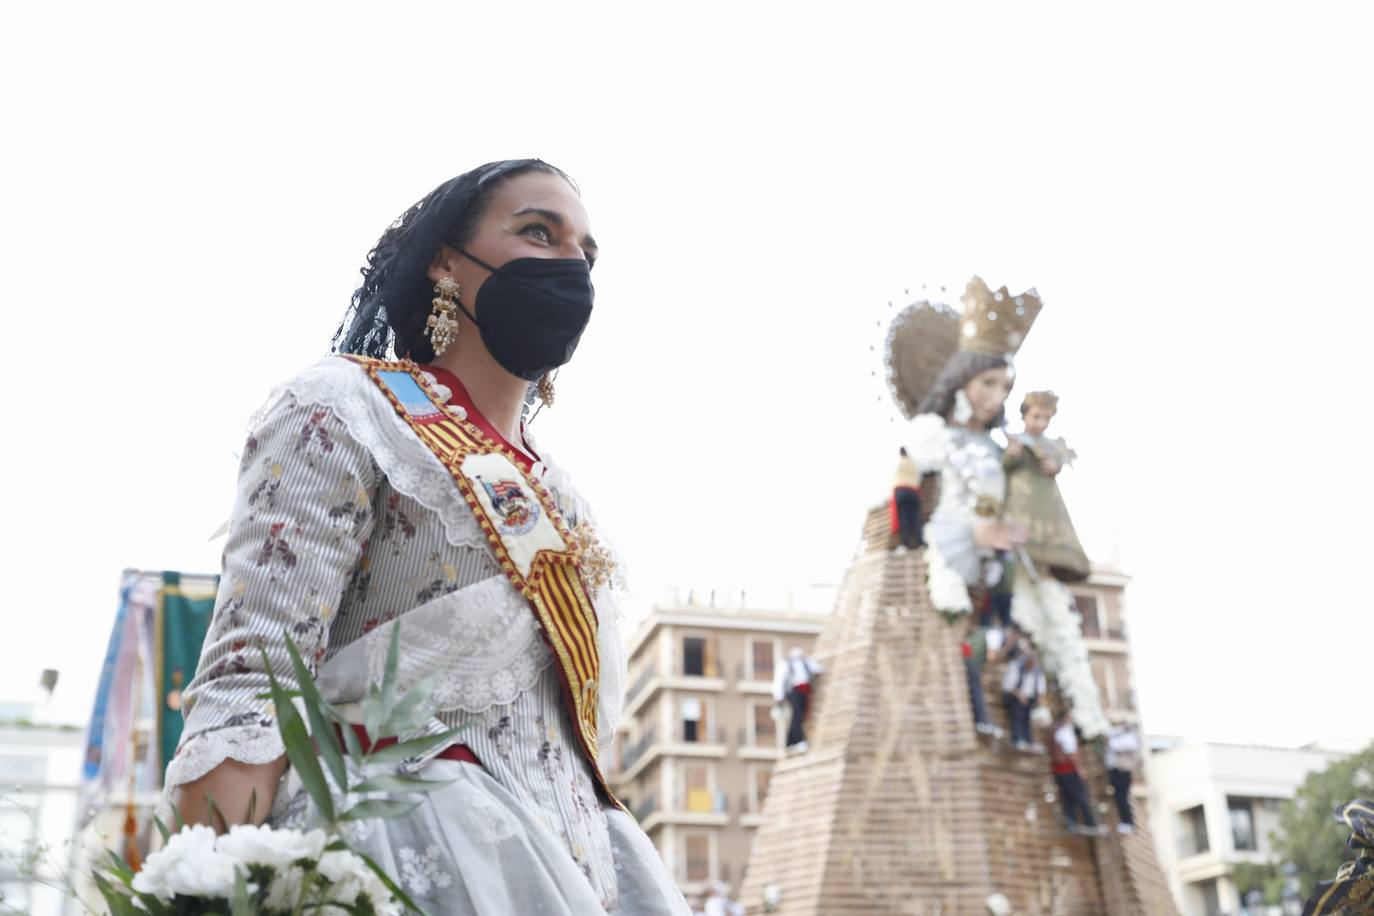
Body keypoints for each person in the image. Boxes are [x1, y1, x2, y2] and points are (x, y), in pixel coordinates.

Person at [164, 160, 689, 914]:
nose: (570, 265)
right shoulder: (349, 408)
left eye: (585, 252)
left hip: (580, 872)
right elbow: (256, 685)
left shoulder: (565, 500)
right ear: (447, 260)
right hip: (402, 859)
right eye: (538, 231)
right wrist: (205, 889)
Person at [1002, 391, 1090, 583]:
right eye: (1036, 417)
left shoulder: (1054, 445)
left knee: (1046, 552)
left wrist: (1055, 467)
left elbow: (1063, 461)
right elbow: (1003, 468)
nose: (1041, 423)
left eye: (1046, 418)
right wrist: (1010, 456)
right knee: (1019, 545)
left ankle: (1043, 576)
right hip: (1020, 500)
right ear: (1025, 415)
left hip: (1046, 501)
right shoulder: (1015, 440)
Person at [1050, 710, 1104, 835]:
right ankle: (1090, 824)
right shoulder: (1065, 732)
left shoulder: (1055, 731)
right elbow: (1071, 753)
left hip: (1059, 771)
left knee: (1068, 798)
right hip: (1068, 770)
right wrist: (1080, 770)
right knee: (1080, 797)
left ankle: (1071, 822)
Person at [773, 647, 821, 752]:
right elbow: (779, 680)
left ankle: (791, 742)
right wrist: (779, 697)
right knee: (797, 715)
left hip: (804, 691)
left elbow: (817, 669)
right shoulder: (785, 664)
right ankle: (798, 740)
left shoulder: (806, 661)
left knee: (800, 715)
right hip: (793, 691)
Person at [1002, 650, 1045, 751]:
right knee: (1018, 715)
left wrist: (1040, 702)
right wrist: (1020, 695)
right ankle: (1017, 739)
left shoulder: (1037, 672)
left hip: (1029, 699)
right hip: (1014, 698)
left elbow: (1041, 689)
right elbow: (1007, 686)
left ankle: (1028, 740)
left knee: (1027, 718)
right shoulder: (1016, 667)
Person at [1104, 720, 1141, 833]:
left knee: (1122, 797)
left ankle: (1128, 822)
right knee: (1119, 797)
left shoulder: (1130, 739)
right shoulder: (1120, 736)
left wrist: (1117, 733)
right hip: (1116, 771)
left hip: (1123, 771)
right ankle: (1126, 822)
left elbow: (1114, 745)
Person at [890, 446, 924, 549]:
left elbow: (893, 479)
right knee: (915, 517)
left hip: (901, 491)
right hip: (913, 491)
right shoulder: (913, 464)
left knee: (904, 517)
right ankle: (920, 541)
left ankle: (905, 542)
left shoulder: (898, 463)